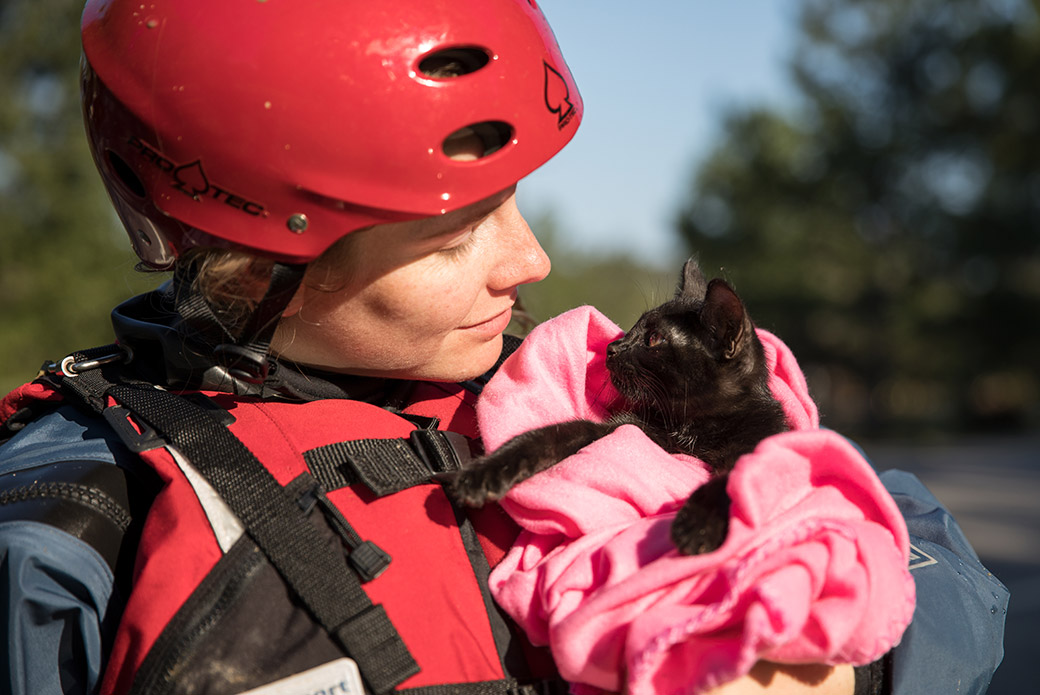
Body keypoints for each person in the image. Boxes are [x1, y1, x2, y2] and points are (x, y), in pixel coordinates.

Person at [0, 1, 1006, 694]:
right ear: (252, 259)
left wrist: (843, 665)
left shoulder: (555, 384)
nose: (530, 259)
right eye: (453, 234)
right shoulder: (74, 523)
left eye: (514, 201)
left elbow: (908, 532)